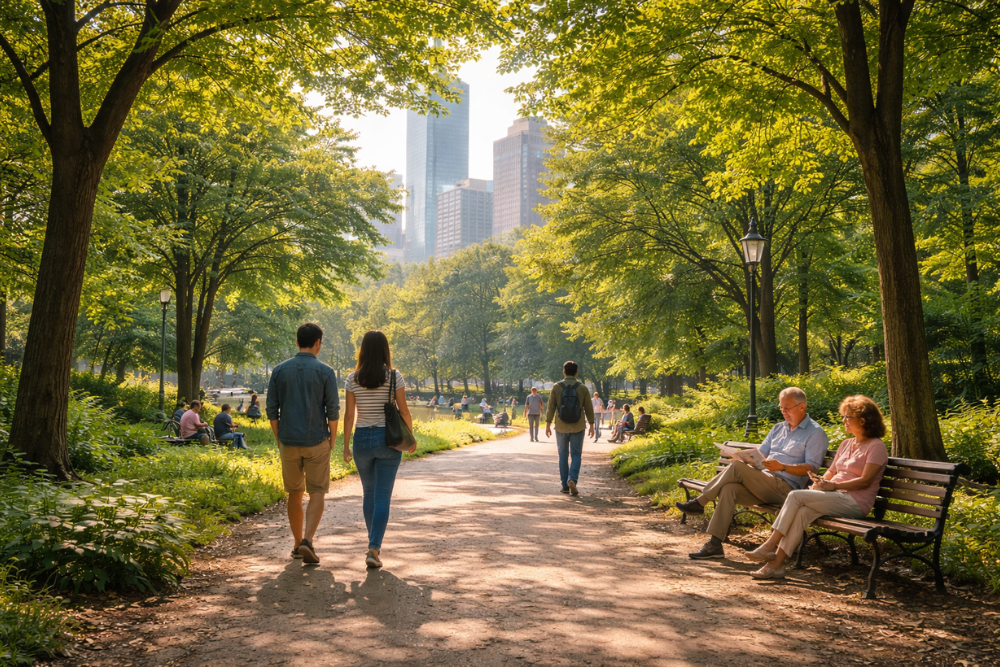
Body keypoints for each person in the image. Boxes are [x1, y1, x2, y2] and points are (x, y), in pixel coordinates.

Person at [675, 386, 829, 560]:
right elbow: (762, 454)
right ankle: (714, 545)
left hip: (787, 490)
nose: (783, 412)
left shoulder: (815, 433)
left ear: (802, 407)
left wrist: (782, 467)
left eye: (788, 408)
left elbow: (812, 468)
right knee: (730, 489)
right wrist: (743, 456)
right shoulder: (778, 428)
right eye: (781, 408)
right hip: (764, 482)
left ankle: (700, 502)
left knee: (736, 467)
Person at [746, 395, 888, 579]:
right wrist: (819, 482)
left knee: (796, 496)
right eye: (843, 416)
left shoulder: (876, 446)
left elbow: (865, 481)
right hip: (835, 496)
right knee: (802, 512)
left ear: (863, 420)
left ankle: (769, 545)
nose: (844, 420)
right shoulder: (846, 444)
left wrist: (833, 485)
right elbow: (831, 471)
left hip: (855, 502)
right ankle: (775, 566)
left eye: (847, 417)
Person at [266, 322, 340, 565]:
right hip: (317, 440)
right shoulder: (326, 372)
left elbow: (271, 410)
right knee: (317, 491)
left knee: (294, 493)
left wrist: (279, 438)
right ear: (318, 343)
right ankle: (308, 539)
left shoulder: (279, 370)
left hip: (288, 441)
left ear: (297, 342)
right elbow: (333, 411)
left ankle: (297, 544)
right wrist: (333, 438)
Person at [343, 330, 415, 569]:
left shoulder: (352, 378)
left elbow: (349, 415)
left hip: (361, 439)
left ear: (363, 349)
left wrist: (346, 445)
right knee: (383, 496)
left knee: (369, 494)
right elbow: (403, 411)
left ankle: (372, 543)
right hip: (387, 439)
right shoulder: (394, 376)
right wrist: (411, 438)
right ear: (385, 350)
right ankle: (374, 548)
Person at [545, 361, 596, 496]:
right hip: (578, 426)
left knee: (562, 455)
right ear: (576, 372)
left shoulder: (556, 387)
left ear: (564, 372)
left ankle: (564, 486)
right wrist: (591, 425)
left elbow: (551, 407)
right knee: (576, 455)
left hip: (561, 426)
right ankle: (572, 479)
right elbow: (589, 409)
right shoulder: (583, 388)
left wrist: (548, 424)